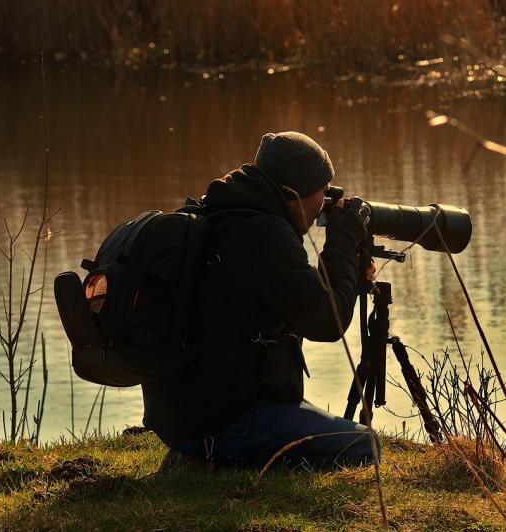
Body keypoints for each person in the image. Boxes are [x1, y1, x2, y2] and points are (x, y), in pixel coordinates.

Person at [141, 131, 380, 469]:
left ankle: (195, 454)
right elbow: (329, 322)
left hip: (181, 418)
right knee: (364, 447)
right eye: (322, 193)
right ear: (293, 194)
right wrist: (342, 240)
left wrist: (348, 268)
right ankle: (220, 466)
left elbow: (301, 301)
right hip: (223, 423)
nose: (322, 207)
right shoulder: (264, 236)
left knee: (322, 428)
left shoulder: (223, 215)